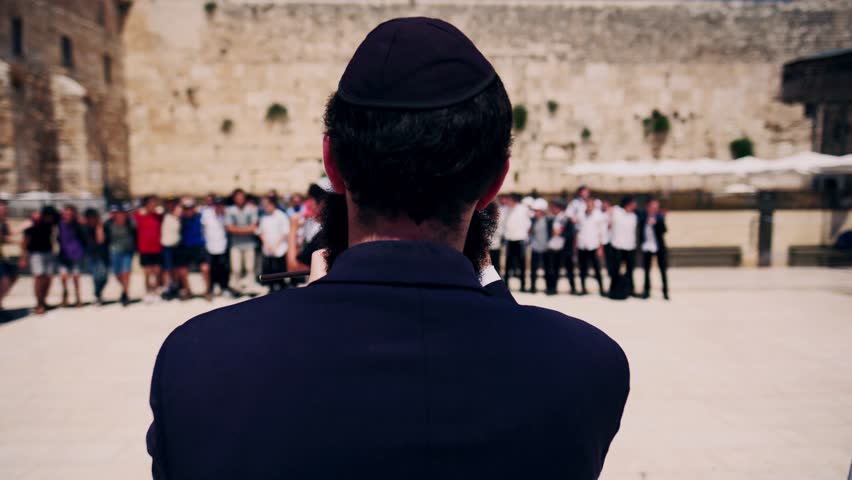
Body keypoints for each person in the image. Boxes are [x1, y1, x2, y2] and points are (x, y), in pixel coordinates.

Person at [148, 18, 628, 479]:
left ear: (331, 165)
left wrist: (303, 310)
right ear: (494, 183)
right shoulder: (586, 367)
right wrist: (493, 294)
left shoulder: (199, 362)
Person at [20, 206, 58, 314]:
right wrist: (23, 258)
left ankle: (43, 301)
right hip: (35, 253)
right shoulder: (33, 223)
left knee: (48, 278)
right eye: (48, 217)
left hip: (48, 252)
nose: (50, 219)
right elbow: (25, 241)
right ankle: (39, 304)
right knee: (39, 277)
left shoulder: (51, 222)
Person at [286, 183, 329, 274]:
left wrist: (293, 229)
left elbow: (294, 267)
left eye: (314, 199)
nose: (311, 205)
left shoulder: (325, 235)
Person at [226, 189, 259, 294]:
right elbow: (230, 228)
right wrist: (246, 229)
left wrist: (237, 229)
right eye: (237, 197)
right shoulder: (230, 210)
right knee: (236, 269)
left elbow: (254, 227)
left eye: (241, 197)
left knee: (250, 268)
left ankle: (250, 288)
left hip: (249, 244)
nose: (240, 199)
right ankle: (236, 289)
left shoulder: (251, 209)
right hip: (236, 244)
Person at [201, 196, 234, 299]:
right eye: (217, 205)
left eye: (221, 205)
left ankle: (223, 288)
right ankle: (210, 289)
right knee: (211, 269)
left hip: (222, 246)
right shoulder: (206, 214)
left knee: (223, 268)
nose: (219, 207)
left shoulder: (226, 214)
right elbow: (202, 227)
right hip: (209, 246)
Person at [175, 198, 207, 300]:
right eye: (186, 208)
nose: (188, 210)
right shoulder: (181, 218)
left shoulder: (200, 216)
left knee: (205, 268)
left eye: (190, 208)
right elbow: (176, 212)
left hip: (198, 246)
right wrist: (182, 203)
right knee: (182, 270)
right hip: (185, 246)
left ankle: (207, 291)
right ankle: (188, 291)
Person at [133, 196, 164, 303]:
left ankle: (156, 292)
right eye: (151, 204)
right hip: (144, 248)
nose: (153, 206)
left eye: (155, 204)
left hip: (157, 248)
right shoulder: (139, 215)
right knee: (147, 272)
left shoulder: (158, 216)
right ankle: (147, 292)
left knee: (156, 272)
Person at [257, 195, 290, 292]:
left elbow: (285, 232)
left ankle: (281, 287)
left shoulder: (281, 215)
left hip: (279, 248)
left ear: (272, 204)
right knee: (269, 269)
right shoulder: (264, 217)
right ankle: (271, 287)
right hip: (268, 248)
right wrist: (266, 244)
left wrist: (276, 245)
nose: (265, 207)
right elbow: (261, 232)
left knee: (280, 269)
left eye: (266, 205)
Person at [104, 204, 136, 306]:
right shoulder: (109, 224)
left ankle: (125, 294)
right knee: (117, 273)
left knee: (126, 272)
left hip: (128, 250)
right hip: (114, 251)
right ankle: (124, 289)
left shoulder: (130, 223)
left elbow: (136, 233)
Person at [638, 197, 669, 300]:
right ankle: (646, 291)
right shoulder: (643, 216)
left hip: (659, 247)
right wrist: (647, 221)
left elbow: (664, 230)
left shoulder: (659, 217)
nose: (655, 208)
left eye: (656, 207)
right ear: (648, 206)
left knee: (662, 270)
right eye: (653, 206)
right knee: (646, 270)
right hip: (647, 246)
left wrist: (656, 222)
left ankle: (665, 292)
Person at [576, 197, 607, 296]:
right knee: (583, 269)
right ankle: (583, 288)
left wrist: (600, 248)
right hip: (582, 245)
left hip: (593, 245)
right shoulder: (580, 215)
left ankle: (602, 289)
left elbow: (601, 233)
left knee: (597, 269)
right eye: (587, 205)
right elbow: (577, 232)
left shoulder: (598, 216)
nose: (589, 207)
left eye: (590, 205)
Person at [57, 205, 86, 307]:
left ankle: (78, 298)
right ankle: (65, 295)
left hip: (76, 254)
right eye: (65, 213)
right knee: (63, 277)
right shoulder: (59, 223)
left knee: (75, 277)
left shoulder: (77, 224)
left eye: (69, 214)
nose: (67, 216)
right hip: (63, 255)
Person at [610, 196, 639, 297]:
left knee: (630, 270)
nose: (635, 205)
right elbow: (606, 208)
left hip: (630, 246)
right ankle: (613, 290)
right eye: (633, 203)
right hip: (617, 245)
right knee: (616, 270)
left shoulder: (634, 216)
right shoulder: (617, 211)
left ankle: (630, 290)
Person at [502, 193, 530, 291]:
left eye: (509, 199)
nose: (507, 201)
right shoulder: (504, 209)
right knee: (508, 263)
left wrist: (525, 234)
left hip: (520, 238)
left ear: (514, 200)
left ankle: (523, 285)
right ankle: (506, 285)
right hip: (509, 239)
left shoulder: (523, 208)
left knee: (522, 263)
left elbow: (528, 222)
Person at [81, 208, 109, 305]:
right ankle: (98, 295)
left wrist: (99, 226)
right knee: (96, 276)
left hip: (102, 255)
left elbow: (101, 240)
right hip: (91, 255)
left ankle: (98, 293)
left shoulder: (102, 227)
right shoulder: (84, 228)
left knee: (104, 276)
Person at [160, 199, 181, 299]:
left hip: (177, 246)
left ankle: (175, 287)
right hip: (166, 247)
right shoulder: (163, 215)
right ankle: (166, 288)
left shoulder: (178, 217)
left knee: (176, 269)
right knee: (167, 269)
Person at [544, 200, 567, 295]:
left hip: (559, 247)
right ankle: (550, 287)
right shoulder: (553, 218)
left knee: (555, 269)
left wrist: (557, 232)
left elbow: (559, 232)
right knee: (550, 268)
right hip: (551, 246)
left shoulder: (563, 218)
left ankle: (553, 288)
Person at [528, 198, 549, 294]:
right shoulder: (532, 221)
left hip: (546, 248)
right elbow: (530, 233)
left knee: (548, 269)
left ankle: (549, 288)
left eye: (537, 211)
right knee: (533, 269)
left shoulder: (548, 220)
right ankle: (532, 287)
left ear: (542, 211)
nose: (535, 213)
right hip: (535, 247)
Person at [0, 200, 18, 310]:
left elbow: (8, 236)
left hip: (2, 257)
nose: (4, 211)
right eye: (3, 209)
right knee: (5, 280)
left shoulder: (4, 223)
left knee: (13, 275)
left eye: (5, 209)